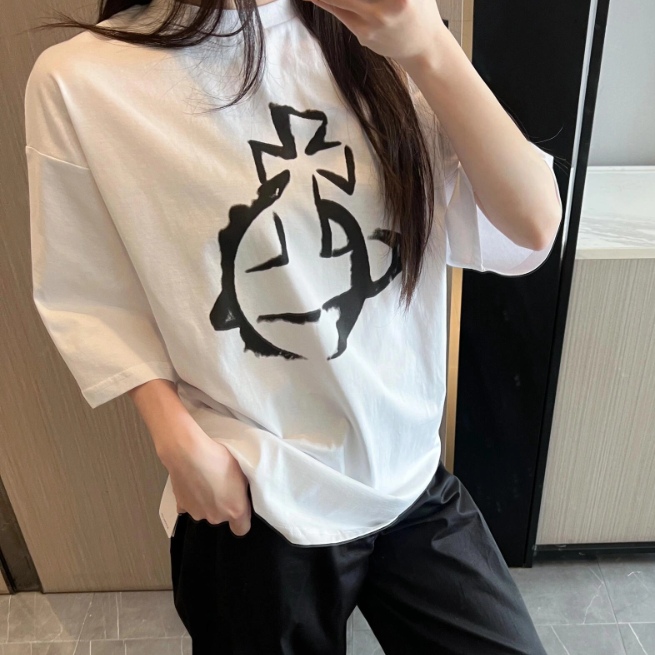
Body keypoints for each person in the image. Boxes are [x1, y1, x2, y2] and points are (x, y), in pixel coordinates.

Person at [25, 0, 562, 650]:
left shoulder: (386, 31)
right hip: (257, 496)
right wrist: (176, 440)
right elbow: (91, 290)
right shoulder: (80, 81)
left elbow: (531, 225)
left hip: (407, 474)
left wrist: (429, 48)